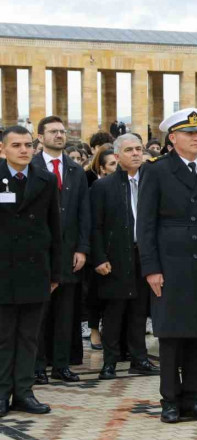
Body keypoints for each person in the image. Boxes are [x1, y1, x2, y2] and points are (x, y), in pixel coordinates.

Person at [138, 108, 197, 423]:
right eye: (189, 133)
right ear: (173, 138)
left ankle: (194, 399)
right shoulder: (156, 170)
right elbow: (146, 224)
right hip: (171, 261)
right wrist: (151, 268)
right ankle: (170, 401)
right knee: (172, 336)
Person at [0, 125, 61, 417]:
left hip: (35, 269)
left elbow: (55, 228)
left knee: (28, 337)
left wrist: (55, 272)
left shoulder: (46, 180)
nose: (24, 150)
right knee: (3, 336)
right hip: (2, 271)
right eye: (16, 145)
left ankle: (24, 392)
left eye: (27, 145)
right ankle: (1, 393)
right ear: (3, 149)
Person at [90, 133, 161, 379]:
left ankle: (139, 358)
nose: (135, 154)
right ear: (117, 156)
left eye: (138, 149)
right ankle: (110, 361)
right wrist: (98, 257)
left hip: (145, 255)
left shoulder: (152, 182)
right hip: (115, 257)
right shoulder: (103, 186)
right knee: (113, 311)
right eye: (129, 150)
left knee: (139, 310)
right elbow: (95, 226)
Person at [32, 115, 90, 384]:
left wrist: (82, 248)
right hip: (39, 253)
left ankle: (61, 364)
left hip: (69, 253)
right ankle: (37, 366)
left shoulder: (74, 170)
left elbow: (83, 212)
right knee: (39, 311)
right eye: (53, 131)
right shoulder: (30, 166)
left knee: (66, 313)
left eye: (62, 131)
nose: (59, 135)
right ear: (40, 136)